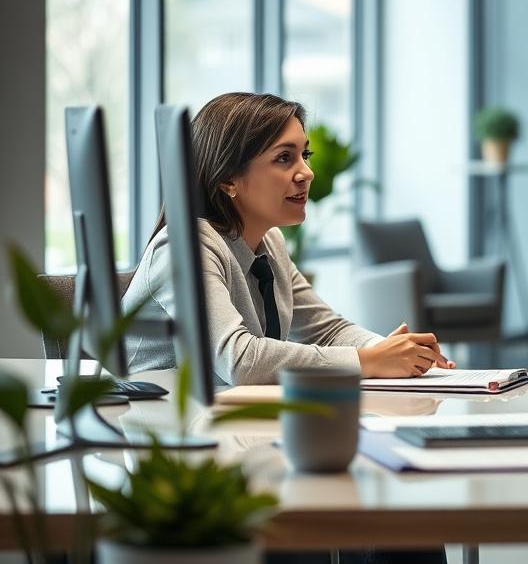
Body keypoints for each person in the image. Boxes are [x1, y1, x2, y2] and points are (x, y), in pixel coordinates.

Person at [124, 92, 455, 385]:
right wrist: (369, 361)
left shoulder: (272, 244)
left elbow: (327, 331)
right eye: (284, 158)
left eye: (304, 156)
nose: (307, 173)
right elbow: (241, 360)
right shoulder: (186, 247)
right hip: (155, 433)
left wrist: (386, 350)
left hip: (221, 423)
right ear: (228, 179)